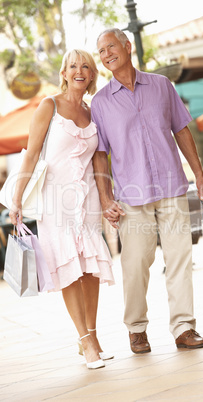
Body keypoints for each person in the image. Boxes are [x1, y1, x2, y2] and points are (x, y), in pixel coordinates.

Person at [91, 28, 203, 354]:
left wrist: (199, 175)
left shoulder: (161, 85)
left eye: (110, 47)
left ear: (127, 46)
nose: (105, 55)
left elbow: (182, 130)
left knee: (180, 260)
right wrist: (105, 198)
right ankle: (136, 328)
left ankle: (184, 327)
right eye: (100, 51)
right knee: (134, 264)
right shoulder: (100, 103)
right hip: (131, 196)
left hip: (172, 186)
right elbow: (99, 154)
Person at [9, 49, 115, 369]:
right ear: (64, 73)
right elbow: (30, 155)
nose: (80, 70)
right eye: (73, 66)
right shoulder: (49, 106)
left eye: (86, 66)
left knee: (91, 269)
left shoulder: (95, 111)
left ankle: (92, 336)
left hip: (88, 200)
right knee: (69, 267)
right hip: (55, 201)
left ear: (93, 74)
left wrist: (107, 198)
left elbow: (100, 159)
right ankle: (85, 340)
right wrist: (16, 199)